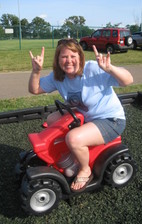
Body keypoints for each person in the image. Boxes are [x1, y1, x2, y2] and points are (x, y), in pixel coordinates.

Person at [29, 39, 133, 192]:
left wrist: (110, 68)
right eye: (64, 57)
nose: (69, 61)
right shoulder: (58, 76)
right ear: (58, 60)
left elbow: (128, 80)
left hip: (111, 120)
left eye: (73, 56)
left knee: (73, 138)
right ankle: (68, 155)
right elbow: (35, 89)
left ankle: (85, 169)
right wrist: (36, 71)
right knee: (52, 119)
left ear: (80, 57)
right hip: (85, 116)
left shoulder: (92, 69)